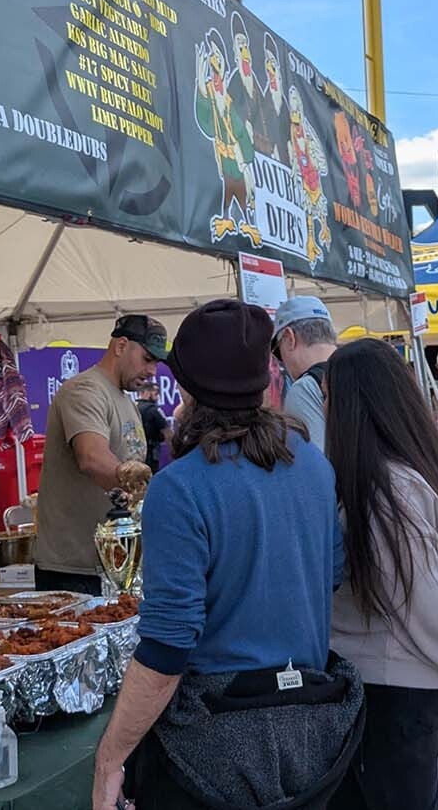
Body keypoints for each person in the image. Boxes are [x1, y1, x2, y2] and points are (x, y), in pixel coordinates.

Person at [92, 300, 354, 810]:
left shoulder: (178, 488)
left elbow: (167, 649)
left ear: (188, 388)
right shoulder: (313, 465)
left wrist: (110, 757)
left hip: (217, 737)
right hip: (311, 724)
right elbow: (331, 576)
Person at [325, 339, 438, 810]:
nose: (323, 408)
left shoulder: (388, 489)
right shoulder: (401, 474)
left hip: (393, 694)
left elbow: (423, 602)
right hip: (393, 689)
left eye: (328, 396)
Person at [36, 315, 160, 595]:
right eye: (147, 359)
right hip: (74, 569)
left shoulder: (125, 399)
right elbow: (91, 457)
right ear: (121, 346)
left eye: (156, 363)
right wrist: (140, 487)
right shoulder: (84, 390)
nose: (152, 370)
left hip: (116, 563)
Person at [272, 296, 338, 448]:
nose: (281, 361)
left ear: (289, 338)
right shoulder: (366, 369)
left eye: (277, 352)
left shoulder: (304, 389)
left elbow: (314, 460)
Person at [134, 380, 170, 473]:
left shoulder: (132, 406)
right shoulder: (152, 410)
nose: (157, 397)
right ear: (146, 392)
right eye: (156, 393)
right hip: (149, 453)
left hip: (135, 453)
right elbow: (166, 431)